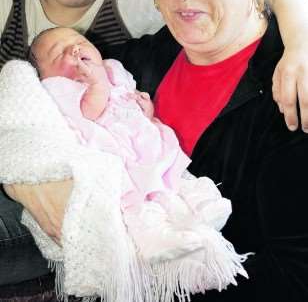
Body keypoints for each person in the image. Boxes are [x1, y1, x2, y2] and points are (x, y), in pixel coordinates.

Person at [1, 0, 308, 298]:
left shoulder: (291, 91)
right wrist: (21, 175)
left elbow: (294, 276)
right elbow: (38, 102)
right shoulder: (149, 56)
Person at [9, 26, 247, 299]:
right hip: (112, 153)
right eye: (58, 52)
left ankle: (199, 215)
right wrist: (97, 84)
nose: (74, 50)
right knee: (138, 200)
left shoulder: (112, 70)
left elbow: (125, 101)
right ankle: (155, 241)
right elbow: (87, 112)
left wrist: (144, 110)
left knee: (171, 183)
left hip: (140, 141)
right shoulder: (59, 89)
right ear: (46, 74)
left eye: (79, 42)